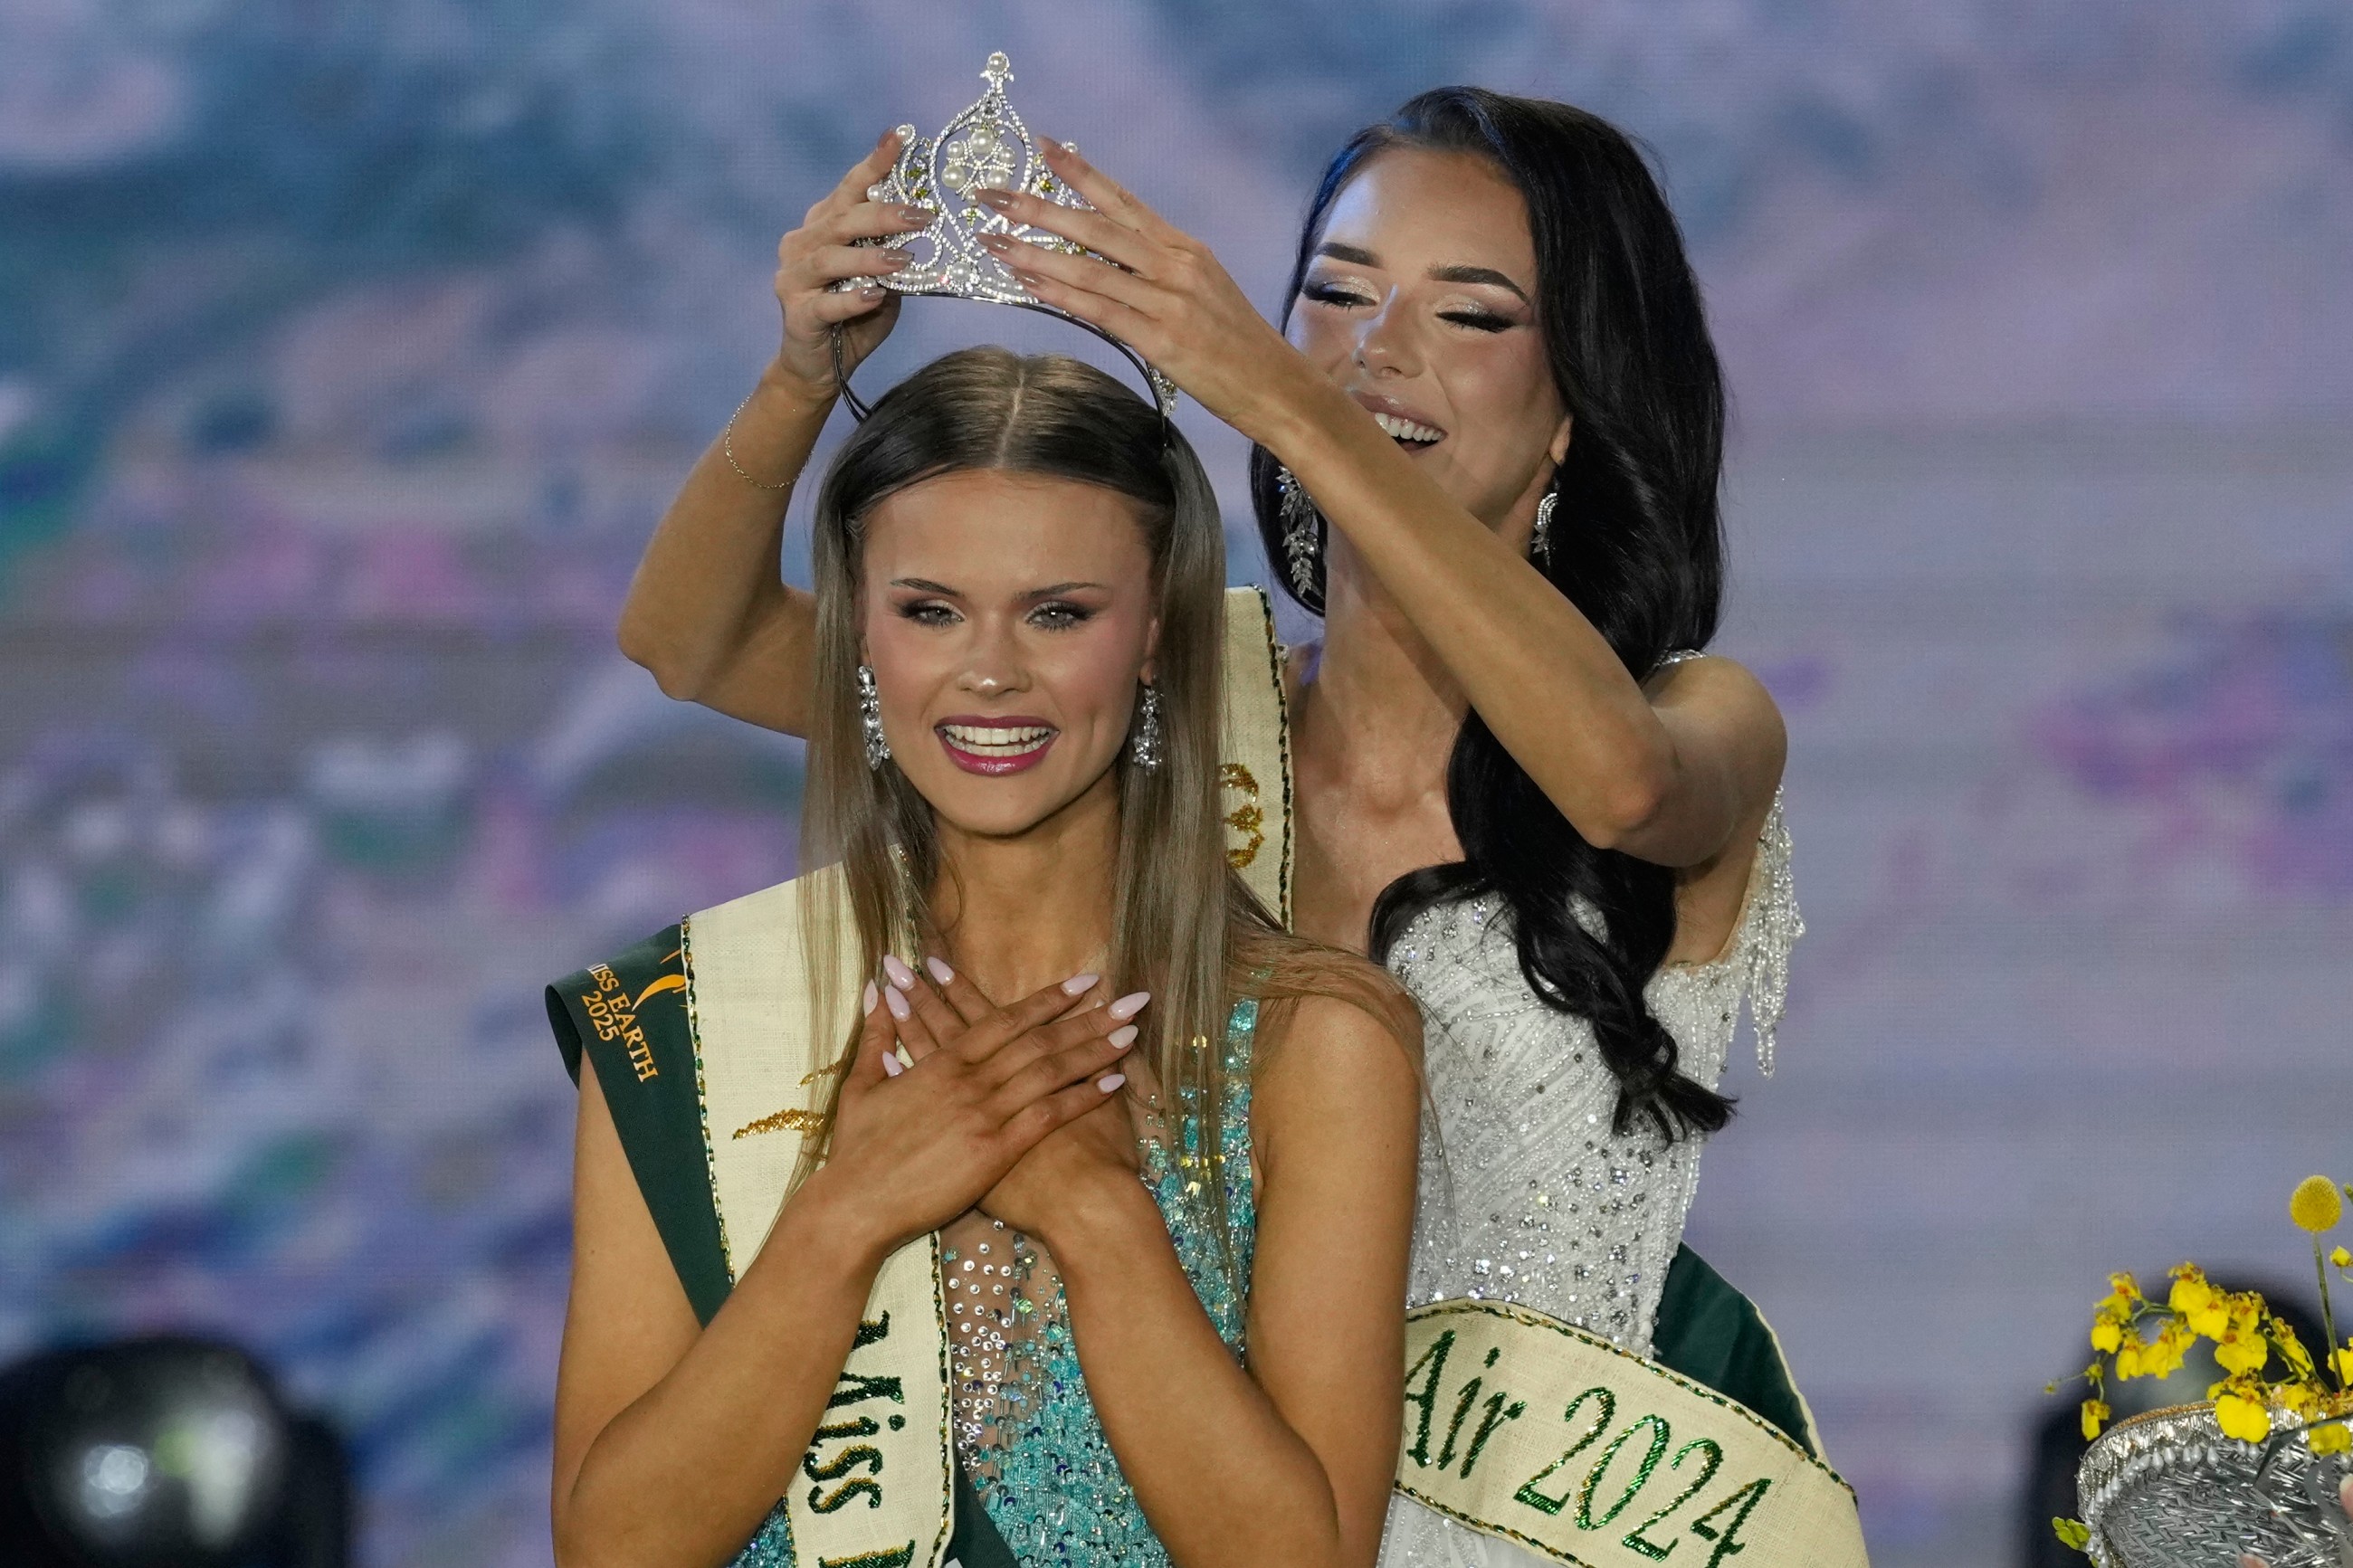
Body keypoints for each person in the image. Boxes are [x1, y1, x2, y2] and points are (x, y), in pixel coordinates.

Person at [619, 86, 1858, 1567]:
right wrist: (797, 376)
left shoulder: (1698, 718)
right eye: (1334, 295)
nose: (1375, 350)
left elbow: (1624, 788)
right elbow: (692, 642)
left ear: (1578, 402)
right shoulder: (1180, 711)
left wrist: (1285, 400)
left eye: (1466, 317)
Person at [550, 347, 1422, 1568]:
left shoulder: (1317, 1040)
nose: (993, 670)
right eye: (930, 609)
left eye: (1059, 612)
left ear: (1157, 636)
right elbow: (611, 1552)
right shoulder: (699, 1018)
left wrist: (1095, 1207)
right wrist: (849, 1207)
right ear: (860, 630)